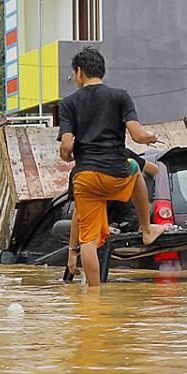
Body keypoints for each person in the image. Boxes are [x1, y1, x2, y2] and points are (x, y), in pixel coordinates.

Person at [58, 46, 168, 286]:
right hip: (116, 172)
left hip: (85, 176)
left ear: (79, 72)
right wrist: (150, 137)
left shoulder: (68, 104)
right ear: (102, 72)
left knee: (88, 240)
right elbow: (137, 135)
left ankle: (94, 297)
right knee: (135, 168)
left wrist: (67, 154)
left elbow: (66, 148)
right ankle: (147, 229)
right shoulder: (120, 96)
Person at [67, 152, 161, 276]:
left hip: (119, 230)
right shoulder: (123, 155)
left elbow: (78, 213)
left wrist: (72, 251)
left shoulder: (81, 172)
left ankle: (93, 292)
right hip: (130, 228)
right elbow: (154, 171)